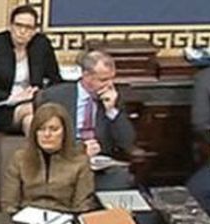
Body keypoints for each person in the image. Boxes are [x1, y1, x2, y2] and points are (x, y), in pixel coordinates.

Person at [36, 49, 135, 188]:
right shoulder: (55, 96)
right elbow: (44, 137)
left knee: (120, 179)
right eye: (103, 80)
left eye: (112, 78)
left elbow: (127, 142)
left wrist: (111, 110)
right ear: (86, 75)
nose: (110, 85)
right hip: (64, 160)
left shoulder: (113, 97)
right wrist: (79, 150)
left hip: (99, 166)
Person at [0, 4, 62, 135]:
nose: (22, 31)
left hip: (33, 103)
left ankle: (36, 155)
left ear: (35, 30)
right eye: (18, 25)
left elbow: (55, 79)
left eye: (28, 27)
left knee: (30, 121)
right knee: (37, 113)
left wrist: (40, 93)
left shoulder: (42, 45)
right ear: (10, 26)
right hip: (1, 107)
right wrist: (13, 97)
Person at [0, 101, 94, 213]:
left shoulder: (80, 161)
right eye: (41, 129)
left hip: (64, 221)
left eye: (53, 129)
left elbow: (82, 206)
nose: (47, 134)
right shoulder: (20, 159)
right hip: (24, 219)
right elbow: (9, 203)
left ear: (65, 132)